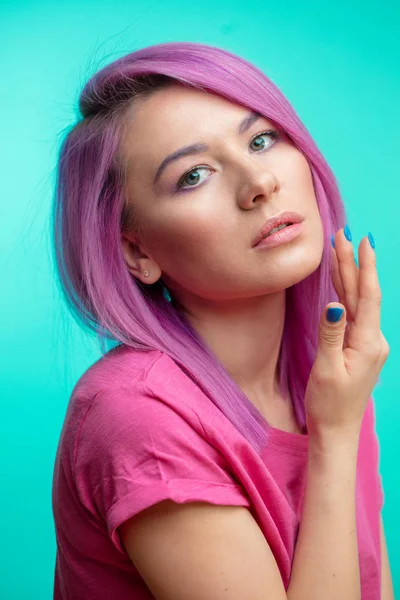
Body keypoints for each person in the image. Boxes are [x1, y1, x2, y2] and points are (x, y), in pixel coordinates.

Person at [51, 41, 393, 600]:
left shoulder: (331, 375)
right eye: (194, 175)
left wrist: (339, 417)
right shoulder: (137, 414)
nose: (259, 182)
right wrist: (333, 435)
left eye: (262, 140)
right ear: (136, 251)